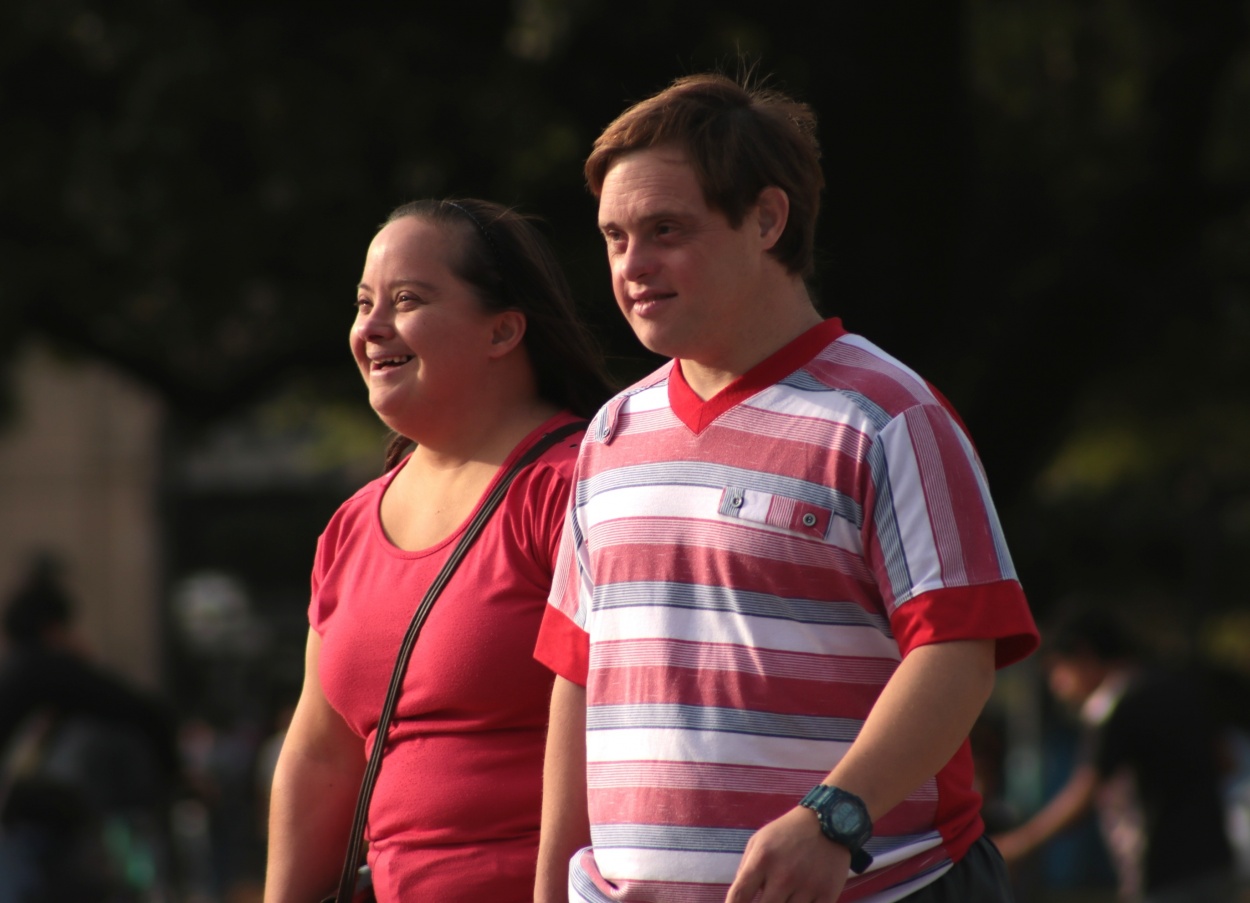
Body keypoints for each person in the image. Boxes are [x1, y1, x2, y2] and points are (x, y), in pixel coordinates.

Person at [533, 72, 1040, 903]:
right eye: (615, 237)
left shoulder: (889, 416)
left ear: (768, 219)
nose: (632, 265)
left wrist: (834, 819)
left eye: (666, 229)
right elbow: (579, 679)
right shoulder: (608, 435)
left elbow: (959, 651)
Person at [263, 198, 612, 903]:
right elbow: (321, 754)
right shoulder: (351, 525)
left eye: (407, 300)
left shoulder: (582, 486)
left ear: (503, 329)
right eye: (364, 303)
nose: (371, 327)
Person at [992, 607, 1236, 903]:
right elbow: (1226, 760)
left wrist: (1019, 844)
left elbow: (1085, 791)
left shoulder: (1113, 704)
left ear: (1083, 655)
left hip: (1160, 871)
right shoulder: (1178, 687)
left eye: (1057, 670)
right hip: (1215, 863)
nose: (1057, 686)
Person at [0, 554, 181, 902]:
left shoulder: (18, 671)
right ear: (54, 629)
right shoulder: (46, 668)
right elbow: (143, 710)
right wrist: (175, 774)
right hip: (22, 830)